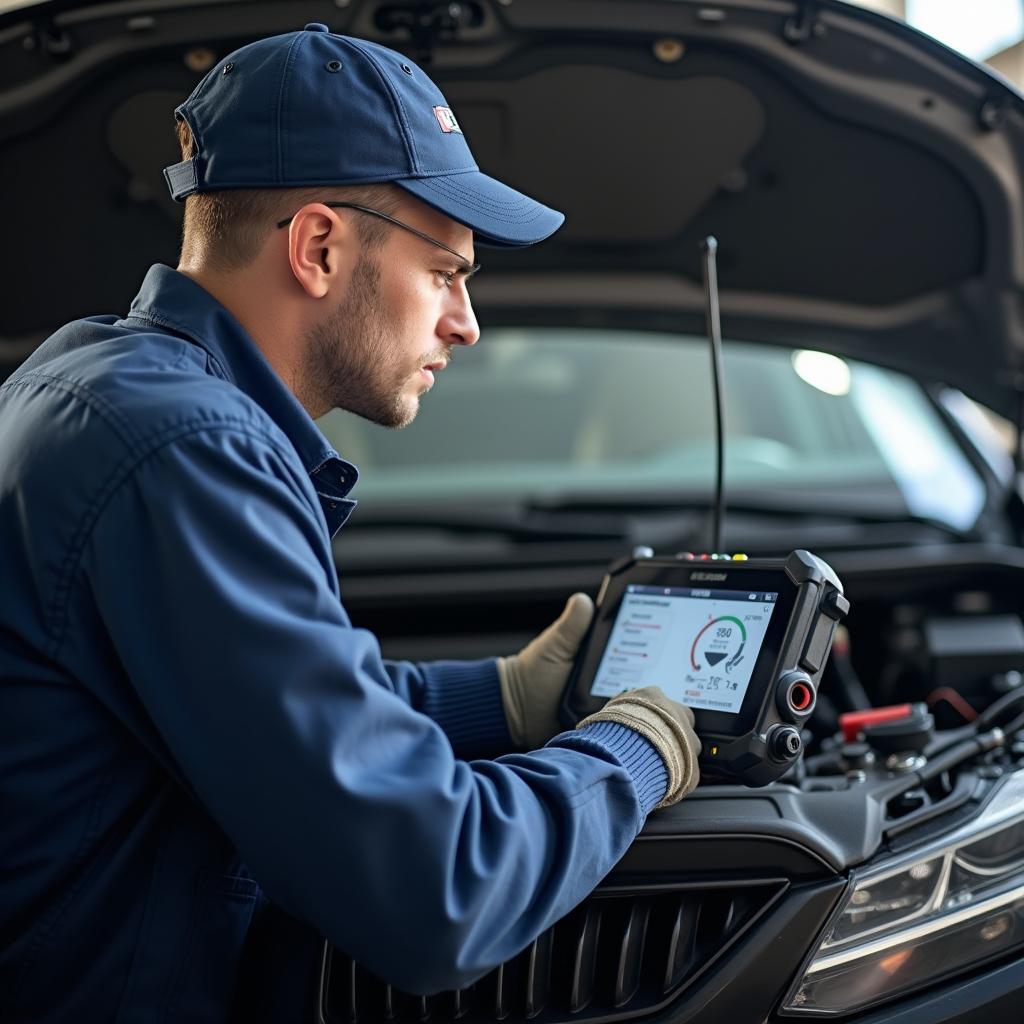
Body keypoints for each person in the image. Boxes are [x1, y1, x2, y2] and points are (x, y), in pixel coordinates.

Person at [0, 24, 701, 1023]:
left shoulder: (89, 379)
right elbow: (431, 891)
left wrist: (500, 700)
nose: (466, 325)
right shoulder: (185, 450)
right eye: (449, 274)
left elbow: (250, 706)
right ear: (319, 246)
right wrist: (630, 752)